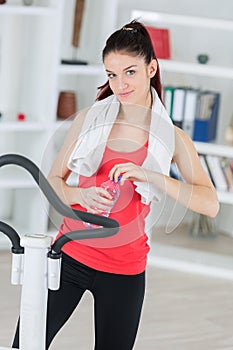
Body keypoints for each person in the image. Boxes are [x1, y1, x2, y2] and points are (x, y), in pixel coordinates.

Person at [13, 20, 219, 350]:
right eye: (111, 74)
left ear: (151, 68)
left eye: (130, 72)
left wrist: (153, 176)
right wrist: (81, 194)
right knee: (24, 345)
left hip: (125, 269)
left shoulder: (173, 138)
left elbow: (210, 203)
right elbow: (53, 182)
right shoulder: (88, 120)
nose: (120, 84)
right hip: (68, 255)